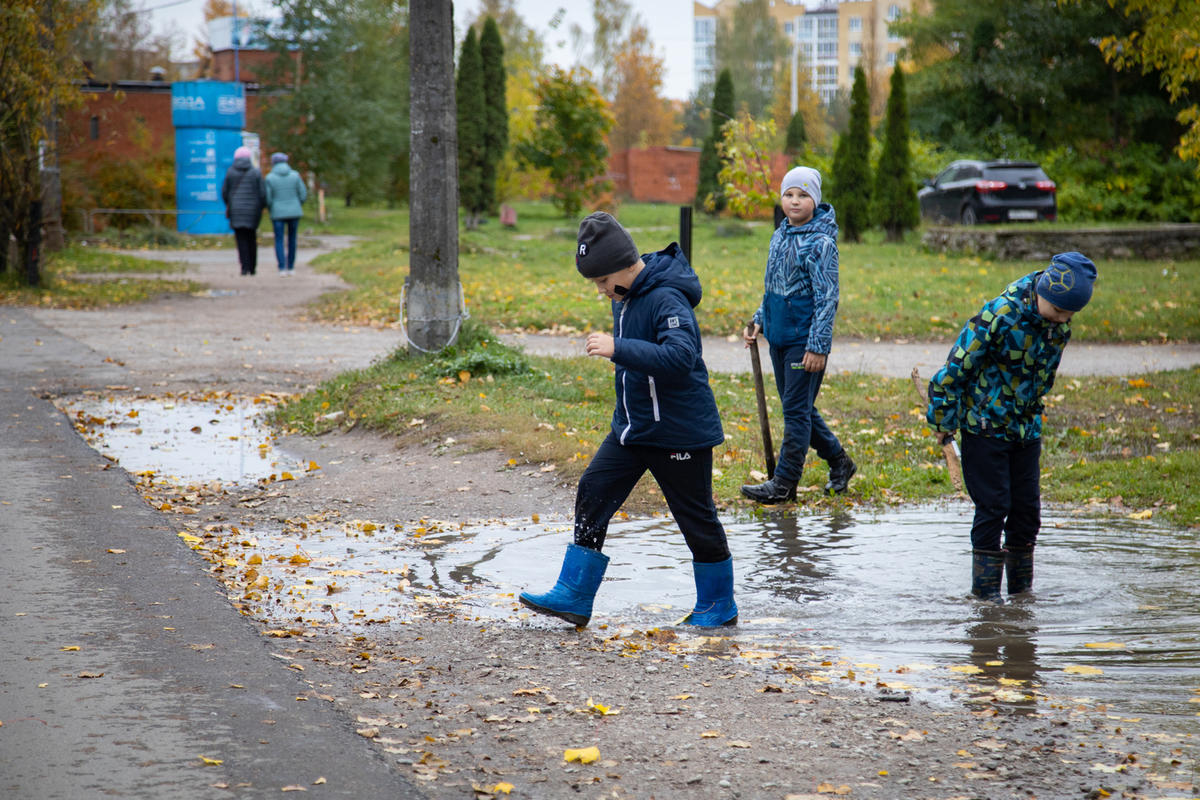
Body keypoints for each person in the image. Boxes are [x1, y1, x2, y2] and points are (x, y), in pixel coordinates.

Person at [519, 212, 737, 628]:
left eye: (603, 280)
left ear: (625, 264)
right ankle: (575, 594)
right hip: (632, 430)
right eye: (596, 283)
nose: (601, 290)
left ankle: (718, 605)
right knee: (593, 489)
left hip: (679, 432)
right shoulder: (625, 296)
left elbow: (680, 357)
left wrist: (617, 347)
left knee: (695, 517)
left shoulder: (666, 298)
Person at [926, 252, 1098, 602]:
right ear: (1044, 292)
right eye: (1060, 311)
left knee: (1027, 513)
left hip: (1026, 431)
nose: (1064, 320)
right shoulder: (1000, 315)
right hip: (984, 427)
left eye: (1070, 315)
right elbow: (952, 371)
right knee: (993, 506)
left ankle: (1021, 598)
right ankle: (986, 600)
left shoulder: (1056, 325)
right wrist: (945, 421)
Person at [740, 166, 856, 505]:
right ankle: (840, 462)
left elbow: (827, 297)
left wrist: (818, 346)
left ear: (815, 200)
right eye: (789, 194)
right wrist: (760, 319)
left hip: (803, 342)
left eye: (803, 195)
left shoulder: (820, 243)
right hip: (778, 336)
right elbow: (774, 286)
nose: (794, 201)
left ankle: (784, 483)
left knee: (795, 411)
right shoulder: (780, 234)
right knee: (799, 407)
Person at [221, 146, 266, 276]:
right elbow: (262, 193)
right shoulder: (255, 172)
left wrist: (230, 204)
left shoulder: (230, 172)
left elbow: (224, 192)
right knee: (252, 238)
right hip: (253, 211)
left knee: (241, 240)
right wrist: (260, 207)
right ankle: (252, 267)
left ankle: (244, 267)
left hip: (236, 210)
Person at [264, 152, 308, 275]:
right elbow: (303, 194)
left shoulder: (270, 177)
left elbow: (268, 198)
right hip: (294, 212)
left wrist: (271, 207)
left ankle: (282, 267)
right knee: (292, 239)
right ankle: (291, 267)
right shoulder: (295, 175)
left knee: (279, 239)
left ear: (273, 163)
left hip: (277, 213)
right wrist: (297, 204)